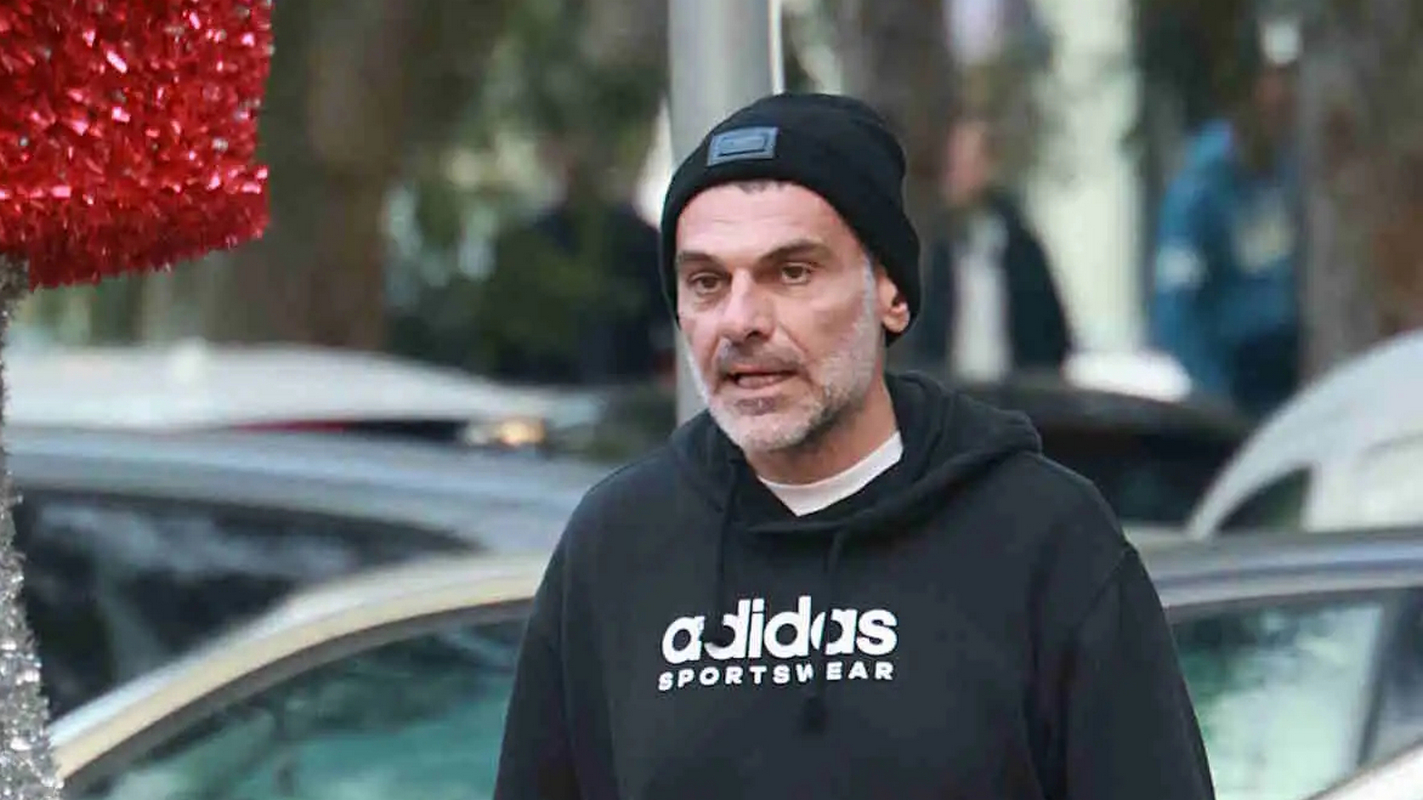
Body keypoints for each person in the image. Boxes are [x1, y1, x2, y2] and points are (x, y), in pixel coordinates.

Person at [493, 92, 1215, 799]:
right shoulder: (617, 546)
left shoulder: (1043, 539)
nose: (741, 320)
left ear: (890, 293)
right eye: (707, 282)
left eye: (792, 272)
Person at [1150, 15, 1301, 418]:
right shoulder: (1201, 187)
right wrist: (1217, 400)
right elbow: (1175, 312)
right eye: (1272, 79)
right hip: (1240, 385)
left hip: (1300, 377)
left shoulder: (1297, 174)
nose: (1283, 94)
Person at [907, 115, 1073, 380]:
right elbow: (926, 338)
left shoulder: (1020, 248)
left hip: (1013, 393)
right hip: (955, 394)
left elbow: (1053, 334)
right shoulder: (942, 249)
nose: (956, 176)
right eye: (953, 164)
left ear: (988, 167)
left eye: (966, 164)